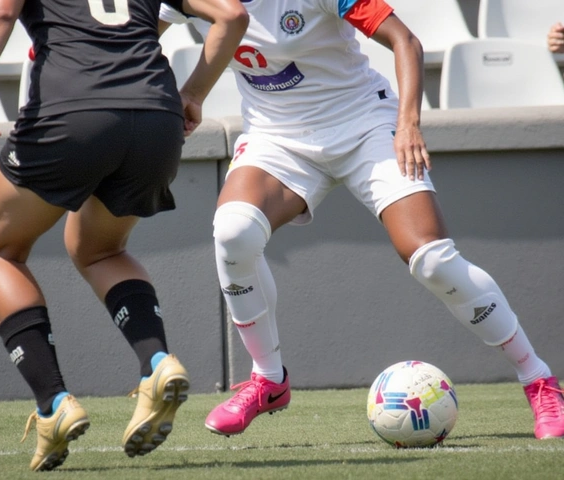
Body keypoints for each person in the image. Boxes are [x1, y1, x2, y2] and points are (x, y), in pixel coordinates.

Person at [160, 0, 564, 440]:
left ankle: (539, 381)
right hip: (276, 138)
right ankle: (268, 380)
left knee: (432, 261)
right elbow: (133, 38)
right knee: (232, 232)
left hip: (364, 125)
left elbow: (405, 40)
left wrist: (407, 122)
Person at [0, 0, 248, 471]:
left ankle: (53, 403)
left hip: (74, 113)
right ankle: (156, 362)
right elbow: (233, 16)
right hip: (157, 119)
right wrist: (193, 93)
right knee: (99, 249)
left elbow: (0, 14)